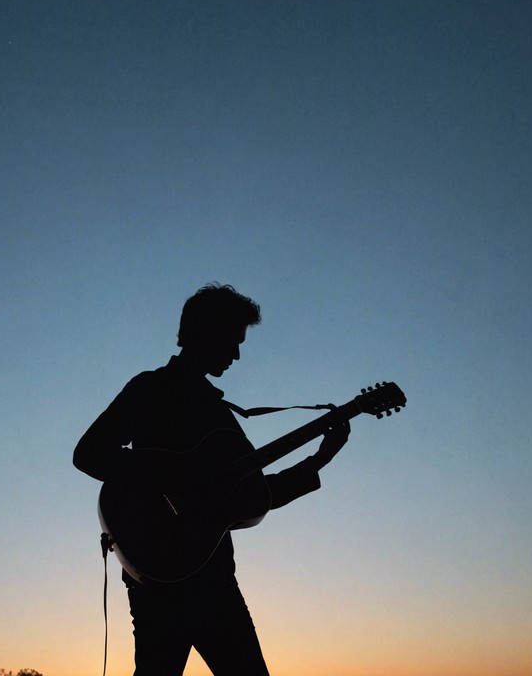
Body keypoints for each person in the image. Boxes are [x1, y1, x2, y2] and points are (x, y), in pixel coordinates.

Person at [73, 283, 351, 675]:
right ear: (203, 332)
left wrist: (320, 459)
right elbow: (88, 455)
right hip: (157, 577)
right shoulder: (149, 389)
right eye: (232, 341)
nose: (237, 355)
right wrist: (176, 471)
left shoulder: (221, 417)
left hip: (213, 579)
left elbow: (254, 495)